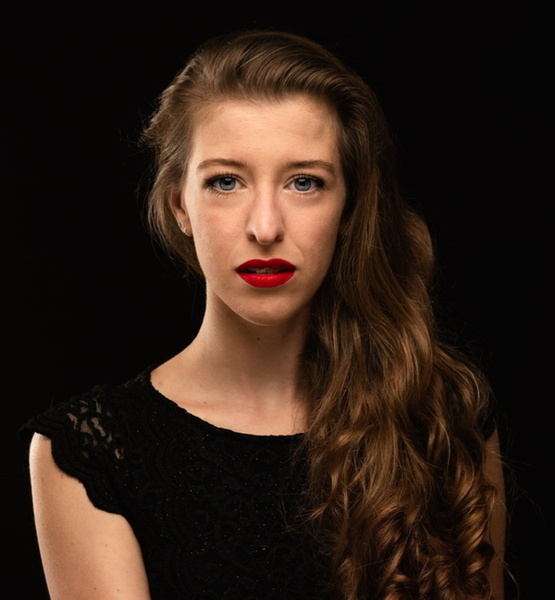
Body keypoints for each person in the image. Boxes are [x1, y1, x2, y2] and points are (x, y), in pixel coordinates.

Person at [22, 29, 507, 599]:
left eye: (305, 182)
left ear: (348, 206)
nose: (266, 227)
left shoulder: (442, 418)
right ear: (180, 206)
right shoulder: (91, 451)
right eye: (226, 182)